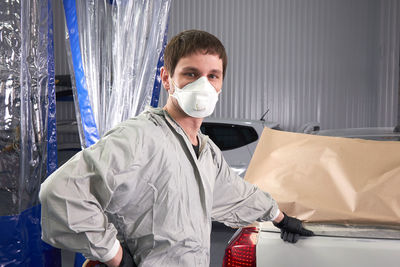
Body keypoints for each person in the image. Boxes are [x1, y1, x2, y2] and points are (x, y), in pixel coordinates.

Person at [39, 29, 313, 267]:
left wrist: (280, 218)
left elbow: (238, 193)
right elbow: (61, 191)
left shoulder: (206, 151)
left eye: (212, 76)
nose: (203, 85)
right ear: (167, 78)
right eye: (191, 74)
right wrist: (116, 256)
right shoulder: (141, 136)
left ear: (220, 85)